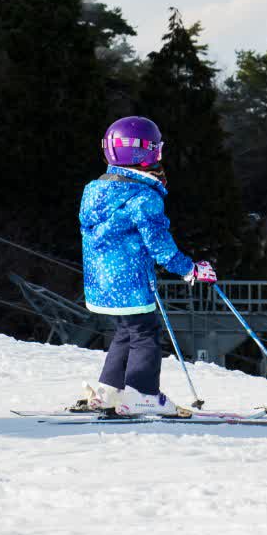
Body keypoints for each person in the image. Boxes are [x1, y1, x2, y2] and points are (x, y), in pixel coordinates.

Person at [75, 115, 217, 416]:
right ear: (146, 152)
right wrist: (189, 269)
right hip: (128, 281)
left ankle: (110, 391)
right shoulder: (143, 197)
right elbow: (159, 245)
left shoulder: (94, 189)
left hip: (100, 282)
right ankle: (142, 393)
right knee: (145, 333)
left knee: (127, 331)